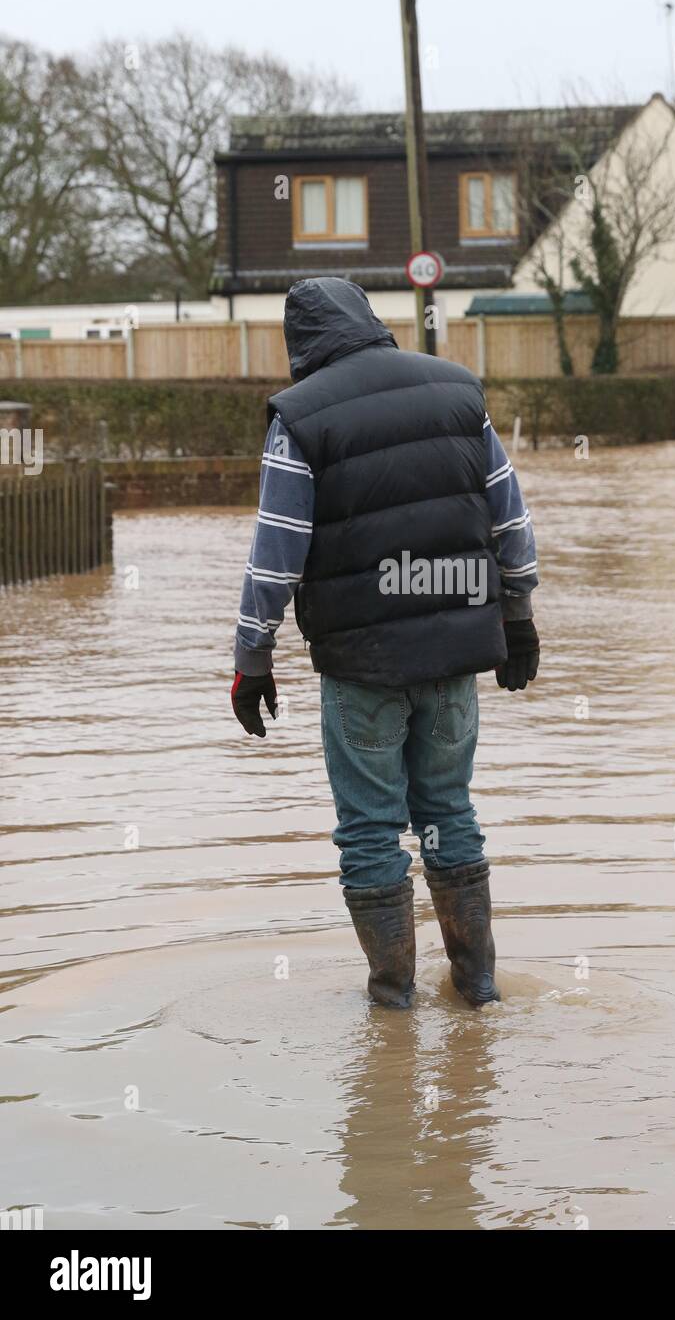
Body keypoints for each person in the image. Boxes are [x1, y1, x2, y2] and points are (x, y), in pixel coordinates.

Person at [230, 276, 539, 1009]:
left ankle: (392, 1006)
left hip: (362, 666)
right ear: (371, 320)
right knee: (450, 813)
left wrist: (253, 656)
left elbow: (278, 548)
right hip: (455, 656)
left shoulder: (301, 417)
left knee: (371, 831)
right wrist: (518, 615)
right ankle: (478, 988)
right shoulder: (459, 393)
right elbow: (511, 521)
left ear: (299, 342)